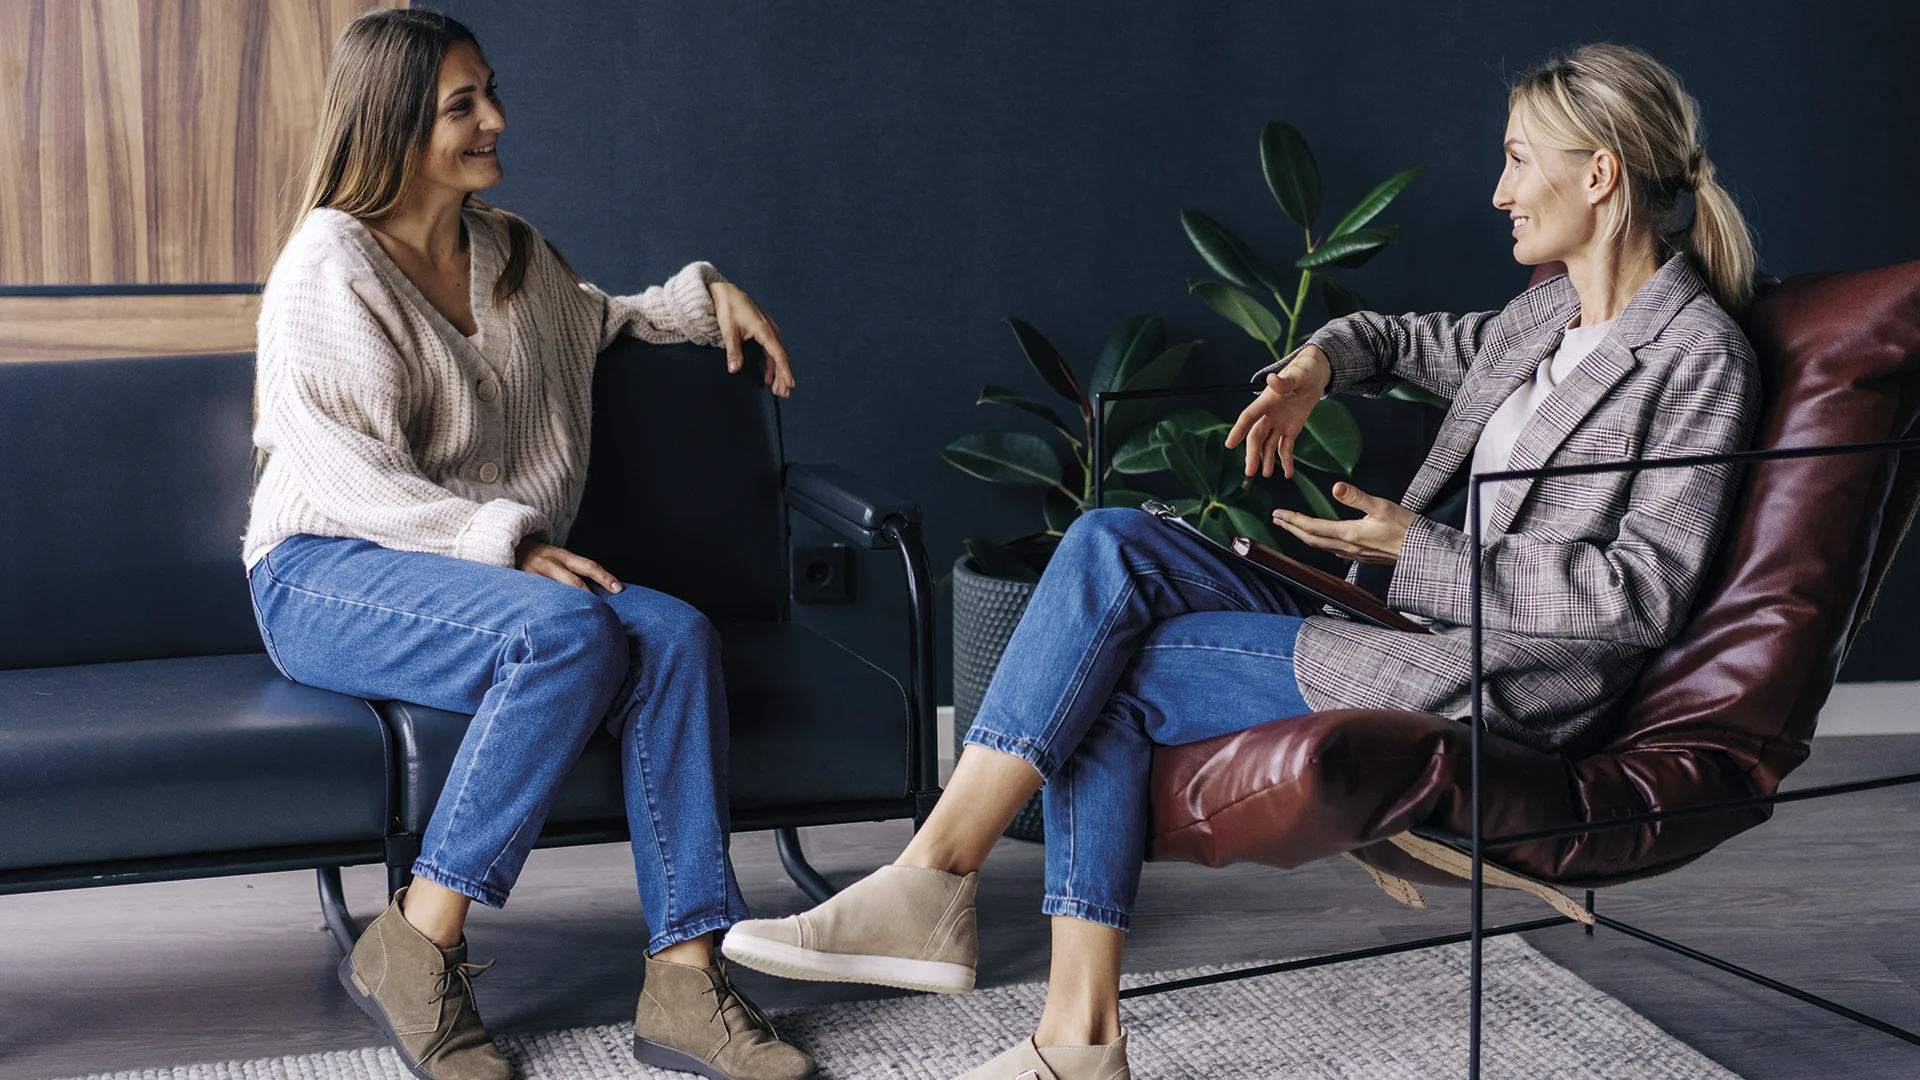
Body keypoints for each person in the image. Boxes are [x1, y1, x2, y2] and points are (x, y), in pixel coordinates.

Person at [720, 43, 1761, 1080]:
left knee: (1104, 674)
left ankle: (1043, 1003)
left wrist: (1421, 550)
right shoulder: (1546, 316)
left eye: (1518, 160)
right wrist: (1315, 365)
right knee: (1109, 540)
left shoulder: (1696, 357)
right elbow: (1394, 339)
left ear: (1599, 174)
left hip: (1505, 679)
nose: (1499, 192)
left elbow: (1644, 593)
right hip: (1405, 632)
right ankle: (974, 929)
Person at [243, 11, 812, 1080]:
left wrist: (706, 297)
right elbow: (345, 476)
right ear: (394, 124)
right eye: (462, 105)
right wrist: (502, 542)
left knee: (677, 636)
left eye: (490, 92)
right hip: (326, 570)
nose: (496, 119)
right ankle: (419, 943)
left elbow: (602, 320)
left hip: (477, 571)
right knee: (563, 632)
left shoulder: (508, 251)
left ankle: (686, 976)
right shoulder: (329, 266)